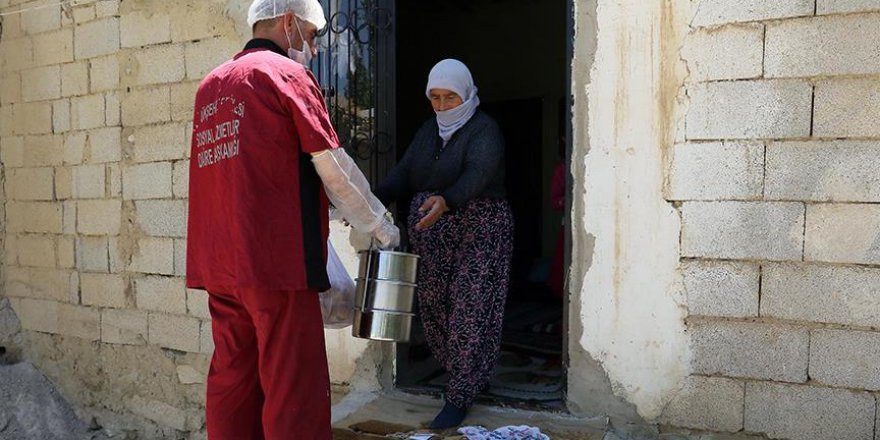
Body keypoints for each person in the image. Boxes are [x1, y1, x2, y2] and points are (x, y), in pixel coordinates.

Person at [185, 1, 399, 438]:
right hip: (276, 265)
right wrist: (380, 225)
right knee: (293, 389)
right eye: (313, 36)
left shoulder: (211, 86)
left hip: (221, 266)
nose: (314, 50)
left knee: (233, 379)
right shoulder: (286, 76)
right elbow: (334, 168)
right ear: (288, 22)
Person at [375, 59, 514, 429]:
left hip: (480, 229)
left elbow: (478, 173)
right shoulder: (428, 131)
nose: (441, 105)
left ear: (465, 93)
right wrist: (370, 200)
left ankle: (458, 396)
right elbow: (404, 173)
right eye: (434, 97)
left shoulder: (484, 129)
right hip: (433, 234)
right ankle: (467, 376)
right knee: (435, 307)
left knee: (471, 306)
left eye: (450, 97)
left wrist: (447, 200)